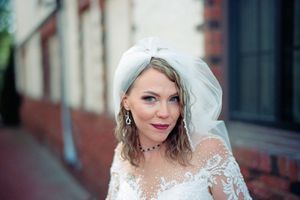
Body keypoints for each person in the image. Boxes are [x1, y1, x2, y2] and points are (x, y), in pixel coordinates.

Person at [106, 37, 252, 200]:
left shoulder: (209, 151)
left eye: (174, 98)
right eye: (150, 98)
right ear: (125, 101)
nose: (165, 112)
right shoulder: (122, 154)